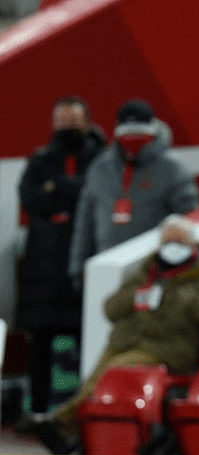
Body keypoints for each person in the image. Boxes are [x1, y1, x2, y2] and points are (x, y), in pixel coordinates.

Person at [31, 214, 199, 454]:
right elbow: (110, 310)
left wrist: (195, 303)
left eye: (179, 242)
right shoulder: (147, 272)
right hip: (125, 342)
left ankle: (62, 422)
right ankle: (72, 429)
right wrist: (135, 297)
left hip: (169, 349)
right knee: (93, 381)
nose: (172, 248)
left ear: (193, 244)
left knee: (111, 375)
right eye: (167, 242)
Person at [16, 96, 106, 416]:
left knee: (87, 344)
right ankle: (38, 413)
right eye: (61, 122)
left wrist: (57, 187)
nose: (67, 128)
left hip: (82, 271)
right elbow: (30, 199)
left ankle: (81, 415)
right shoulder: (40, 159)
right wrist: (70, 192)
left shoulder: (102, 160)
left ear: (86, 122)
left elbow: (92, 197)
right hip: (41, 274)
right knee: (39, 345)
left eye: (73, 122)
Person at [68, 98, 199, 291]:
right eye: (127, 138)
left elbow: (190, 221)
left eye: (140, 138)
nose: (133, 146)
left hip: (155, 272)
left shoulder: (172, 169)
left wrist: (183, 265)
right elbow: (84, 224)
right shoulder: (99, 169)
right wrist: (78, 268)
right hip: (106, 269)